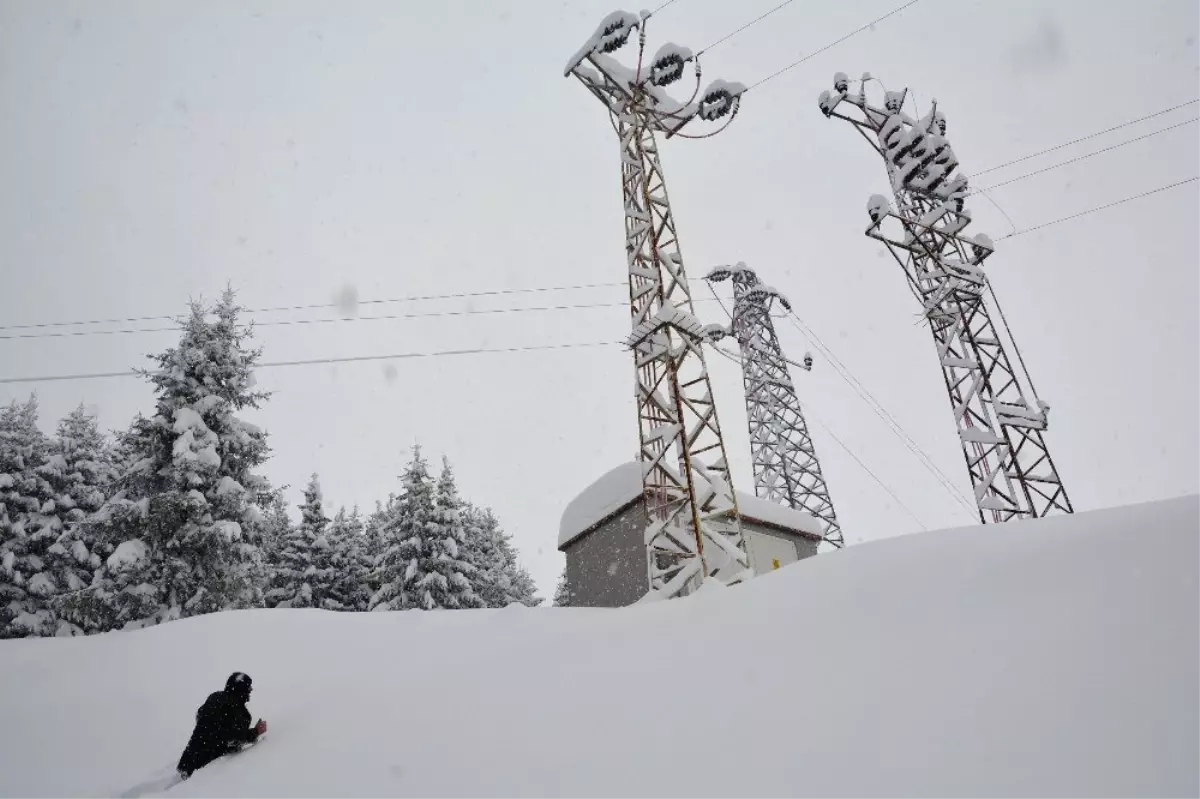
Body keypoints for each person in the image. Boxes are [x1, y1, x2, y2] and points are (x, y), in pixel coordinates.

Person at [176, 672, 268, 780]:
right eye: (248, 688)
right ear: (242, 690)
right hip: (206, 770)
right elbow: (237, 737)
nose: (251, 690)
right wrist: (257, 731)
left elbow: (200, 716)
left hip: (188, 761)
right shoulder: (240, 711)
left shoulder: (215, 697)